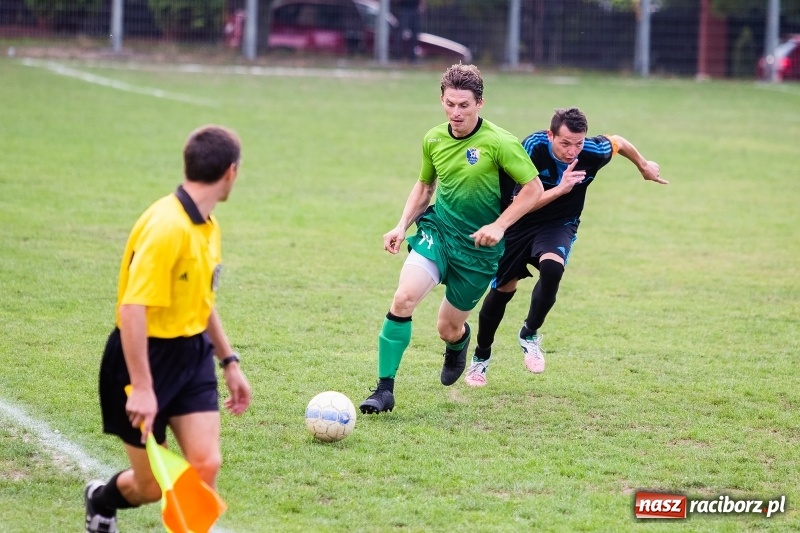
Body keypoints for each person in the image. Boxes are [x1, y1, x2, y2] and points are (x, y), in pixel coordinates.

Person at [84, 125, 252, 533]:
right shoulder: (166, 227)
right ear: (231, 172)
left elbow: (202, 300)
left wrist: (228, 361)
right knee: (151, 487)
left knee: (205, 465)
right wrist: (142, 387)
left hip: (190, 354)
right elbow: (132, 310)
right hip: (140, 358)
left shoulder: (207, 224)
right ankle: (100, 499)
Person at [359, 64, 544, 414]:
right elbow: (426, 186)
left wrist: (500, 226)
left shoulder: (501, 143)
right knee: (403, 298)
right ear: (442, 100)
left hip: (479, 251)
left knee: (447, 327)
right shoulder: (434, 139)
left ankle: (458, 344)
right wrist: (401, 225)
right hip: (438, 233)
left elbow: (534, 190)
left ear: (480, 104)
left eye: (464, 106)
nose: (456, 113)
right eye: (449, 104)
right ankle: (384, 390)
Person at [464, 107, 668, 387]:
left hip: (559, 224)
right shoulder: (532, 148)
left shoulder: (592, 151)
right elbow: (517, 205)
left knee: (552, 268)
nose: (573, 151)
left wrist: (643, 165)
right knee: (502, 290)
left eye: (578, 143)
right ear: (550, 135)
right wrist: (560, 189)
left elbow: (618, 142)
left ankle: (529, 333)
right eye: (565, 143)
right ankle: (480, 358)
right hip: (518, 222)